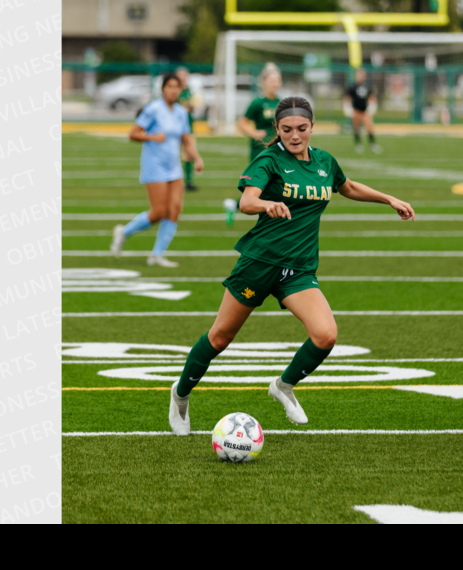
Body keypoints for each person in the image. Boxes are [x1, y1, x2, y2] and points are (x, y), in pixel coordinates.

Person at [169, 97, 415, 435]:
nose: (294, 136)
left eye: (301, 129)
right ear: (277, 129)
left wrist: (389, 199)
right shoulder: (269, 159)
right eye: (287, 130)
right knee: (221, 337)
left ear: (312, 126)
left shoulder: (325, 162)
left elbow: (348, 187)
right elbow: (246, 201)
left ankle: (283, 386)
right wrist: (267, 204)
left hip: (298, 269)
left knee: (326, 335)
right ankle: (180, 394)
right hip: (260, 263)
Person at [111, 73, 203, 268]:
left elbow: (186, 138)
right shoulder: (153, 109)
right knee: (159, 211)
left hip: (174, 167)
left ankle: (156, 255)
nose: (173, 90)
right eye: (169, 86)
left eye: (176, 87)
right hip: (154, 166)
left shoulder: (181, 112)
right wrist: (152, 137)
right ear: (163, 89)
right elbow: (133, 134)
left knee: (175, 209)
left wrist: (196, 157)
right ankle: (124, 232)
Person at [223, 64, 282, 226]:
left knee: (274, 186)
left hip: (278, 150)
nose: (275, 83)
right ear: (264, 82)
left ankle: (234, 205)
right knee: (262, 186)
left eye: (277, 80)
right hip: (260, 150)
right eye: (271, 80)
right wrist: (255, 133)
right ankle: (239, 206)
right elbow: (241, 124)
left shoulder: (281, 102)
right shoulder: (257, 103)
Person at [344, 68, 381, 154]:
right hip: (356, 110)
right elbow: (347, 97)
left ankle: (372, 144)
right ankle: (358, 144)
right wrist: (348, 108)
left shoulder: (368, 86)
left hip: (365, 111)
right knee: (356, 128)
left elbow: (372, 97)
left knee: (369, 127)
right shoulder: (352, 86)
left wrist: (371, 107)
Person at [176, 67, 198, 192]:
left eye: (185, 77)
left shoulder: (190, 91)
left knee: (189, 154)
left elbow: (193, 108)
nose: (183, 79)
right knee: (173, 154)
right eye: (181, 77)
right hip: (175, 128)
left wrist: (192, 106)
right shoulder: (174, 91)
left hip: (188, 127)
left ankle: (188, 181)